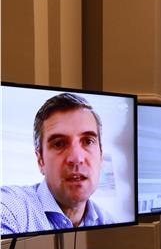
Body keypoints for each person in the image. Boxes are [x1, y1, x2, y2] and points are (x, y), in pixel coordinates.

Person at [1, 93, 112, 235]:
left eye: (88, 141)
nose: (77, 158)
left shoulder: (110, 222)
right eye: (59, 143)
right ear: (40, 160)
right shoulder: (12, 210)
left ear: (101, 155)